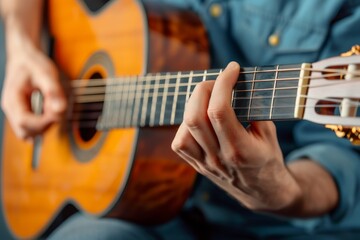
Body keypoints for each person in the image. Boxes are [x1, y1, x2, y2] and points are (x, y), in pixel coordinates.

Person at [1, 0, 360, 239]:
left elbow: (341, 162)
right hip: (134, 211)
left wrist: (280, 191)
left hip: (263, 225)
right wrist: (22, 48)